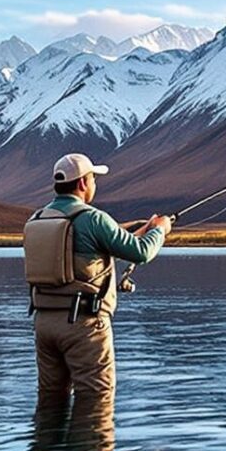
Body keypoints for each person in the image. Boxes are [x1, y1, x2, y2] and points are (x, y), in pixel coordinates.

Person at [23, 153, 171, 398]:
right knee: (96, 401)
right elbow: (142, 253)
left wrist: (140, 230)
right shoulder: (92, 218)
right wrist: (160, 231)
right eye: (93, 179)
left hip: (43, 324)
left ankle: (48, 436)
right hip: (83, 325)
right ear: (82, 183)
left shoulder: (37, 219)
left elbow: (82, 253)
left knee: (51, 398)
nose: (94, 184)